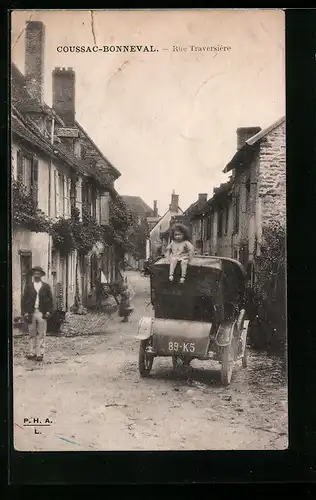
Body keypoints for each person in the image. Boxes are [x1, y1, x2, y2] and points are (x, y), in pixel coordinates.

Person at [22, 266, 53, 362]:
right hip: (31, 312)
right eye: (35, 273)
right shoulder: (28, 286)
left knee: (42, 334)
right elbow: (24, 300)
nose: (36, 275)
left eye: (38, 273)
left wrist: (49, 311)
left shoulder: (46, 287)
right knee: (32, 333)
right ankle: (32, 353)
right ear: (33, 275)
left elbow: (50, 300)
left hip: (42, 312)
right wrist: (25, 312)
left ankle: (40, 354)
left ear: (41, 275)